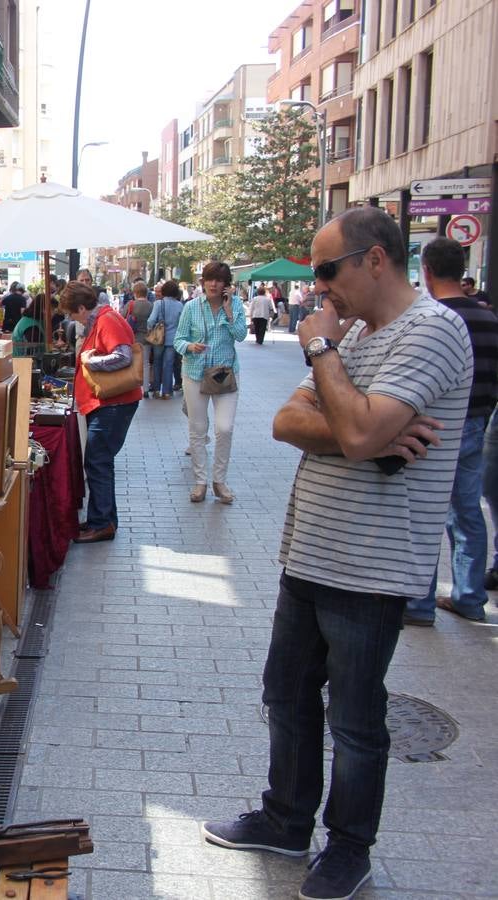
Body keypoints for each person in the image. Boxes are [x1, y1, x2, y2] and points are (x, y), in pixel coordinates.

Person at [202, 207, 472, 900]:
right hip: (310, 552)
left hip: (372, 562)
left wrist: (326, 364)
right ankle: (286, 818)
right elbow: (290, 420)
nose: (320, 289)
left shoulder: (432, 331)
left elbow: (352, 432)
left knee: (355, 718)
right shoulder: (357, 335)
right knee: (286, 695)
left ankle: (348, 847)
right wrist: (363, 425)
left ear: (374, 259)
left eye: (327, 271)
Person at [403, 238, 498, 625]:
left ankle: (420, 604)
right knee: (468, 512)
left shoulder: (432, 320)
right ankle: (470, 597)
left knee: (425, 511)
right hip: (478, 422)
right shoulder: (488, 319)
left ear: (426, 270)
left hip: (436, 426)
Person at [61, 281, 141, 543]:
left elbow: (123, 356)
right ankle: (102, 519)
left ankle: (102, 523)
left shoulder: (107, 320)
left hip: (112, 404)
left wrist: (89, 360)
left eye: (73, 314)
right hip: (108, 404)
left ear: (82, 308)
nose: (73, 319)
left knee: (97, 461)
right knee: (99, 461)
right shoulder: (103, 320)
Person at [174, 261, 247, 503]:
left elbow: (241, 335)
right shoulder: (192, 307)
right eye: (209, 279)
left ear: (227, 285)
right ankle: (200, 482)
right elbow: (178, 340)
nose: (213, 284)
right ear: (203, 282)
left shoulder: (235, 305)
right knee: (197, 429)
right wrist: (190, 347)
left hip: (225, 374)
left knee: (224, 428)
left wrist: (227, 312)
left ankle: (220, 481)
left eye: (219, 280)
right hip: (195, 372)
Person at [146, 280, 185, 400]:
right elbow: (182, 323)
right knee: (168, 365)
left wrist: (150, 329)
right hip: (173, 340)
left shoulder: (159, 303)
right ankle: (167, 392)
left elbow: (151, 320)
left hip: (158, 339)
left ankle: (157, 390)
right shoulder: (179, 305)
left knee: (157, 363)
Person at [124, 281, 153, 388]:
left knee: (132, 363)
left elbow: (122, 318)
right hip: (146, 338)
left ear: (135, 293)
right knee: (145, 363)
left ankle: (133, 386)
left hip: (132, 338)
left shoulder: (130, 304)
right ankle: (145, 388)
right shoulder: (151, 305)